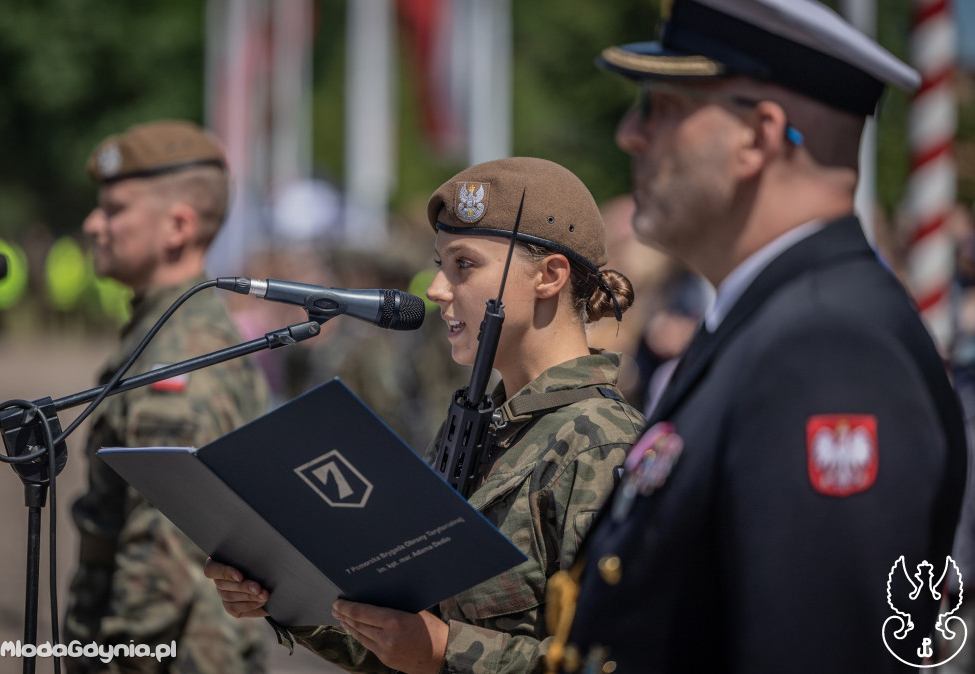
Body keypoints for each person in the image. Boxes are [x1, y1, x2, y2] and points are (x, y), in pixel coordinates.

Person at [557, 0, 970, 672]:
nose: (631, 133)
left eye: (661, 106)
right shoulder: (772, 323)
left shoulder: (828, 351)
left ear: (758, 136)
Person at [204, 157, 646, 673]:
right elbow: (404, 636)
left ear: (549, 275)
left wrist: (444, 651)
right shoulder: (483, 427)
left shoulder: (599, 442)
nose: (436, 290)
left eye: (464, 264)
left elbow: (620, 657)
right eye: (441, 265)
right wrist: (278, 592)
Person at [64, 120, 271, 673]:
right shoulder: (167, 332)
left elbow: (161, 561)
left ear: (177, 225)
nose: (93, 223)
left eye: (114, 209)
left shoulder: (180, 354)